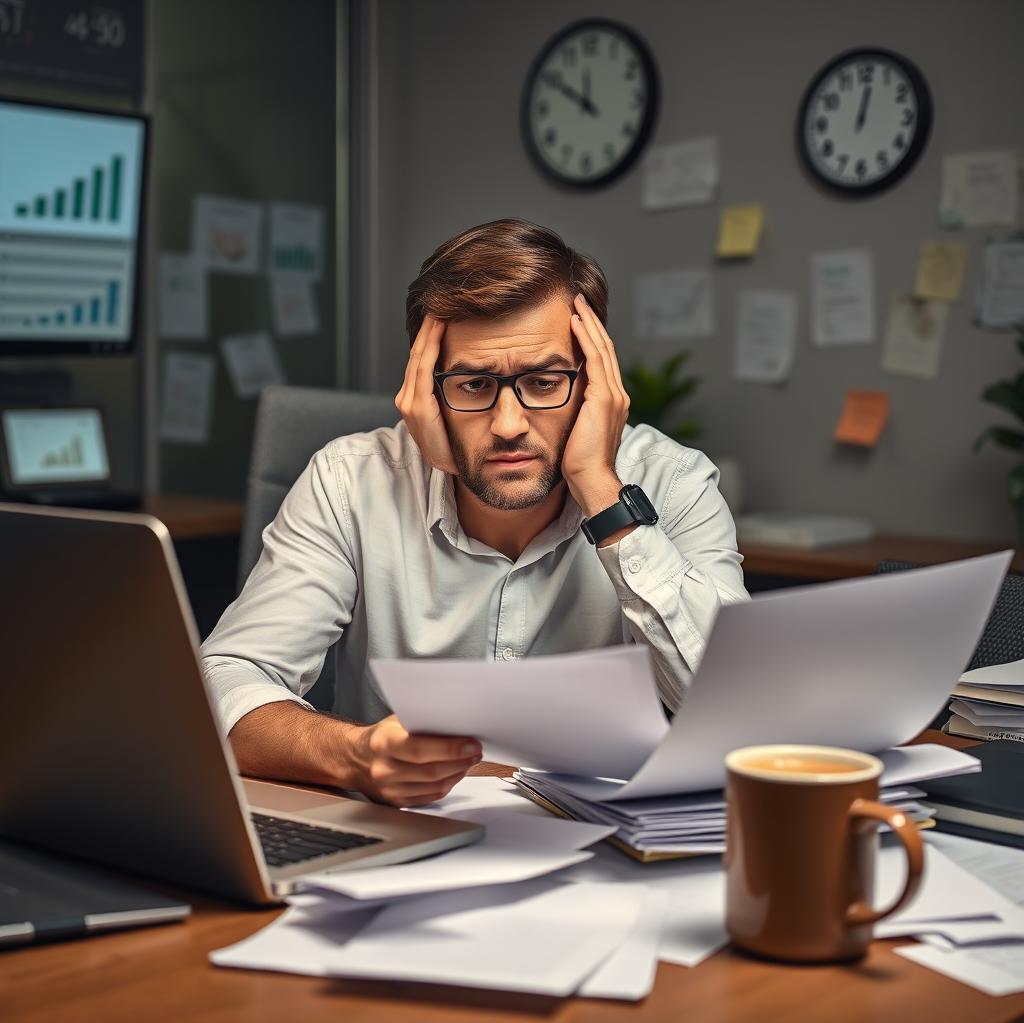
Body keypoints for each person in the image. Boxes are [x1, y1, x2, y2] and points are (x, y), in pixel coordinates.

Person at [201, 218, 748, 807]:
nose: (509, 424)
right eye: (472, 384)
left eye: (544, 381)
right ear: (424, 389)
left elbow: (742, 710)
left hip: (610, 855)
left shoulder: (673, 481)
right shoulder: (349, 480)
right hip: (410, 846)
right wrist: (355, 755)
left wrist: (602, 494)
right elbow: (223, 680)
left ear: (595, 383)